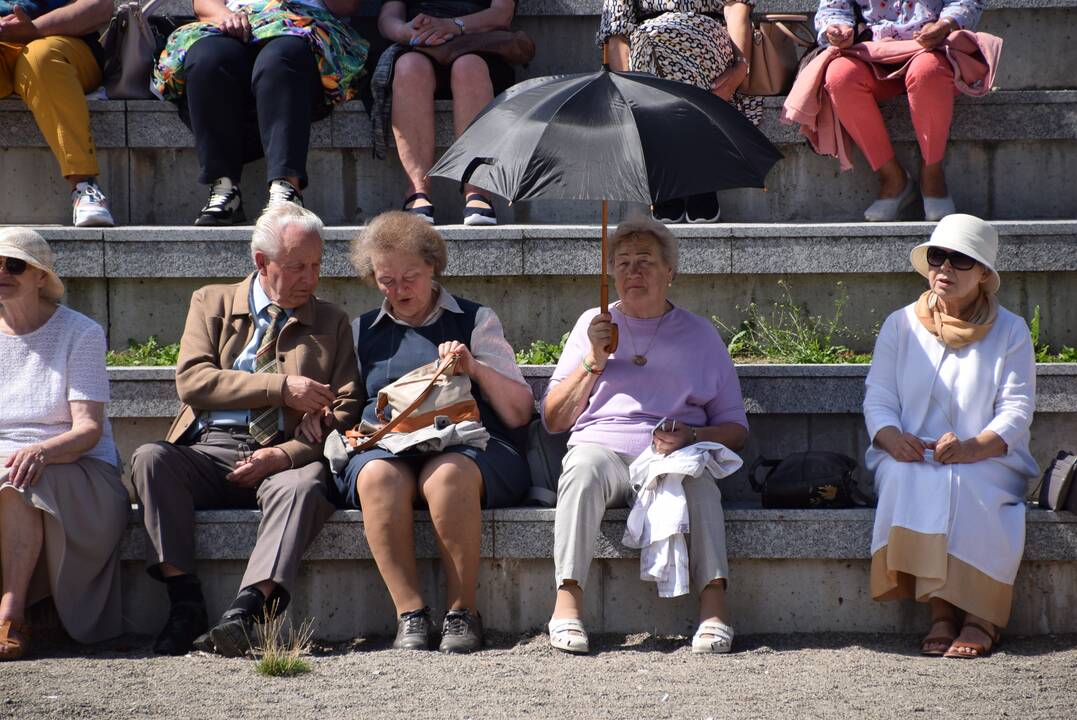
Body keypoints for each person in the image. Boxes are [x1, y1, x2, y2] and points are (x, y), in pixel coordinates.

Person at [129, 204, 362, 658]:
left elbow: (349, 404)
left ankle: (248, 611)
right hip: (209, 449)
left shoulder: (331, 320)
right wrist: (280, 388)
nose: (310, 279)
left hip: (284, 453)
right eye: (297, 267)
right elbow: (193, 381)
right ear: (262, 262)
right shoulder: (211, 301)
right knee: (150, 460)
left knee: (304, 487)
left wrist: (292, 448)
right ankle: (185, 604)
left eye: (317, 265)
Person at [542, 216, 749, 654]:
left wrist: (692, 434)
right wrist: (593, 361)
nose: (633, 271)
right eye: (623, 262)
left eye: (645, 261)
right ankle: (566, 604)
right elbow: (553, 420)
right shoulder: (590, 325)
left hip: (669, 457)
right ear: (611, 272)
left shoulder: (700, 334)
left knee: (699, 481)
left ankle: (714, 609)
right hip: (603, 449)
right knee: (581, 467)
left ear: (670, 271)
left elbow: (736, 429)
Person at [335, 210, 532, 653]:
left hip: (471, 447)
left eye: (410, 277)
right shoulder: (360, 330)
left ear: (432, 268)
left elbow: (519, 413)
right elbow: (346, 408)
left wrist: (474, 367)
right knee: (376, 476)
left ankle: (463, 612)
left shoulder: (475, 320)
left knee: (446, 475)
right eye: (386, 280)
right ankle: (411, 614)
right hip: (388, 446)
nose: (399, 290)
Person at [864, 214, 1035, 659]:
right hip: (912, 452)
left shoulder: (1012, 330)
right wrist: (890, 437)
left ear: (983, 275)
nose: (944, 268)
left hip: (990, 456)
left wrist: (974, 448)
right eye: (937, 257)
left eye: (960, 260)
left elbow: (1017, 411)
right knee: (913, 478)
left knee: (968, 484)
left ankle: (982, 618)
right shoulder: (900, 324)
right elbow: (877, 397)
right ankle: (940, 613)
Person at [0, 228, 127, 660]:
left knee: (16, 481)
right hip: (9, 462)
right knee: (12, 475)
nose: (2, 273)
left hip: (79, 470)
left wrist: (40, 451)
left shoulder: (80, 333)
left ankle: (12, 613)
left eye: (14, 265)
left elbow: (87, 430)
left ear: (41, 277)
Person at [152, 0, 369, 225]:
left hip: (301, 25)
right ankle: (224, 189)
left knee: (282, 58)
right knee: (209, 59)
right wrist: (224, 15)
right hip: (237, 21)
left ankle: (286, 190)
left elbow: (348, 6)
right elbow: (203, 3)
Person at [814, 0, 985, 221]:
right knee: (839, 76)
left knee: (928, 71)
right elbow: (834, 7)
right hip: (869, 51)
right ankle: (893, 178)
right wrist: (837, 28)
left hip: (931, 47)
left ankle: (932, 175)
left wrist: (945, 23)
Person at [599, 0, 758, 224]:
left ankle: (673, 177)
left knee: (679, 44)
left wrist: (740, 66)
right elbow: (617, 27)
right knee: (652, 44)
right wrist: (626, 85)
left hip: (709, 35)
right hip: (647, 39)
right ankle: (695, 176)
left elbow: (736, 6)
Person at [376, 0, 516, 226]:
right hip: (419, 45)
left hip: (477, 45)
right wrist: (406, 30)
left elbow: (502, 14)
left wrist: (453, 25)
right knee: (409, 67)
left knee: (468, 67)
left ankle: (478, 190)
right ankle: (417, 190)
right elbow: (387, 18)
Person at [0, 0, 116, 226]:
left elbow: (100, 6)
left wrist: (33, 29)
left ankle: (84, 185)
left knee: (41, 57)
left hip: (61, 43)